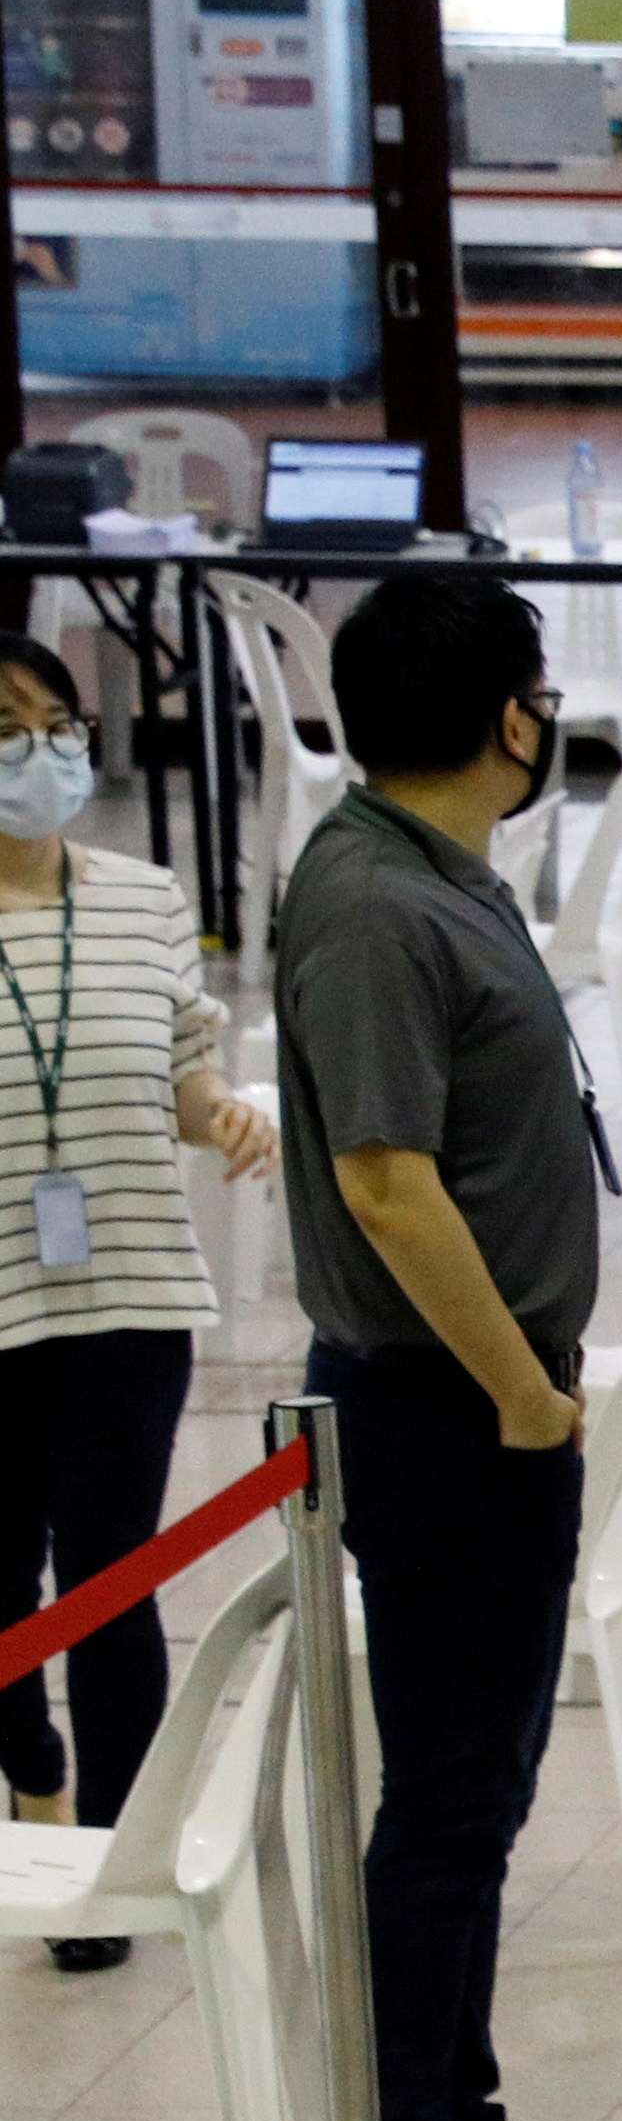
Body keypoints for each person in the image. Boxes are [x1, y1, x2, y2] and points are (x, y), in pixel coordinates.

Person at [277, 564, 622, 2121]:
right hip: (446, 1404)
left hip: (497, 1389)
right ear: (510, 715)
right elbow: (382, 1175)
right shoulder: (369, 902)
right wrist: (516, 1386)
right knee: (444, 1797)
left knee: (483, 1788)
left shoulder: (444, 873)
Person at [0, 631, 264, 1975]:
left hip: (129, 1287)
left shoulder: (145, 900)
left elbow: (184, 1062)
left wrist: (222, 1117)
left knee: (112, 1577)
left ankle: (112, 1861)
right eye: (7, 730)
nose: (38, 754)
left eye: (54, 724)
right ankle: (32, 1764)